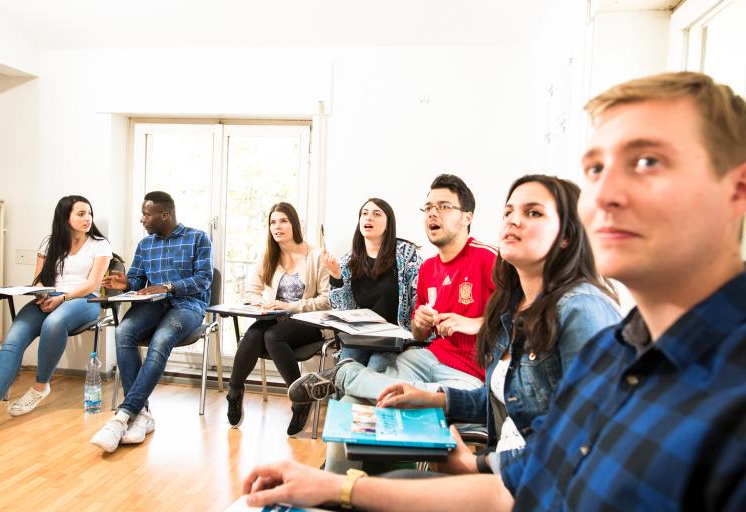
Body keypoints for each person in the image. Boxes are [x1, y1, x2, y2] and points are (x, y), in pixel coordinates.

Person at [241, 71, 746, 511]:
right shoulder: (617, 351)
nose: (606, 195)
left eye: (647, 162)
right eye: (595, 169)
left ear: (736, 190)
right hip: (442, 382)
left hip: (453, 374)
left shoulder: (590, 316)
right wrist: (333, 490)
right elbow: (519, 487)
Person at [377, 174, 621, 478]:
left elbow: (585, 443)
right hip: (504, 470)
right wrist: (431, 398)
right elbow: (504, 397)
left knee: (393, 484)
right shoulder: (510, 308)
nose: (513, 221)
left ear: (567, 235)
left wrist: (475, 465)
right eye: (508, 212)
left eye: (533, 212)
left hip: (535, 486)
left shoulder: (582, 310)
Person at [289, 174, 497, 473]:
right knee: (352, 402)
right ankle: (336, 488)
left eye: (444, 206)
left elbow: (524, 317)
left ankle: (345, 375)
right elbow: (418, 332)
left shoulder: (488, 258)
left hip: (469, 372)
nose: (433, 214)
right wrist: (421, 324)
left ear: (468, 217)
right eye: (428, 208)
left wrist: (477, 322)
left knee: (377, 391)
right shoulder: (427, 269)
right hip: (427, 355)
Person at [0, 195, 112, 439]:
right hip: (50, 298)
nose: (87, 218)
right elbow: (39, 279)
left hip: (84, 300)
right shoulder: (50, 243)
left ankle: (41, 386)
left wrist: (62, 298)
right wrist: (41, 295)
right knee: (12, 341)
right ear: (65, 217)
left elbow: (93, 283)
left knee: (54, 323)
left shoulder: (100, 244)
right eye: (80, 214)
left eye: (89, 213)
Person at [90, 191, 212, 452]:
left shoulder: (198, 238)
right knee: (123, 331)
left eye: (146, 214)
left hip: (188, 306)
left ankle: (123, 415)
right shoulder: (145, 245)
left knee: (162, 338)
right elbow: (136, 280)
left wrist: (168, 287)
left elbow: (204, 280)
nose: (142, 219)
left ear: (165, 215)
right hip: (151, 306)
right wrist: (125, 284)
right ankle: (142, 413)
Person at [227, 202, 331, 436]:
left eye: (283, 220)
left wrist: (289, 306)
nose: (277, 226)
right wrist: (262, 303)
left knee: (272, 336)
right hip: (274, 319)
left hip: (309, 322)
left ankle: (299, 398)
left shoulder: (316, 256)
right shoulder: (268, 255)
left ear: (294, 224)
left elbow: (326, 301)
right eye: (273, 222)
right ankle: (234, 392)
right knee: (254, 334)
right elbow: (251, 291)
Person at [322, 197, 421, 370]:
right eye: (364, 213)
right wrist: (336, 275)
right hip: (361, 335)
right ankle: (334, 387)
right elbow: (343, 311)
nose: (368, 218)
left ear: (388, 223)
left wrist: (417, 334)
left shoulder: (406, 255)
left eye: (376, 214)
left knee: (373, 372)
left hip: (394, 337)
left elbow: (419, 299)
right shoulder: (348, 261)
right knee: (346, 369)